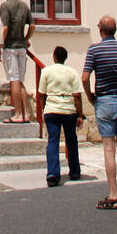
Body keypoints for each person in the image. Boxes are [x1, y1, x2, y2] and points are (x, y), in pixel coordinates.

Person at [82, 15, 117, 209]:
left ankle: (113, 194)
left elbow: (85, 76)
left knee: (108, 148)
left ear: (100, 29)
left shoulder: (94, 49)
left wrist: (90, 95)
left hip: (104, 99)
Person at [38, 45, 84, 186]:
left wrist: (43, 108)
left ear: (54, 56)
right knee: (71, 140)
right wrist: (80, 114)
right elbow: (77, 95)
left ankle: (52, 173)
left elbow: (41, 93)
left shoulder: (46, 71)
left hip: (52, 108)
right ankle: (75, 171)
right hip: (68, 109)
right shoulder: (72, 72)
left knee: (53, 141)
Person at [0, 0, 35, 123]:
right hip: (21, 47)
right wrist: (26, 39)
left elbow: (5, 28)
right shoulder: (24, 5)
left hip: (11, 47)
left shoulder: (5, 6)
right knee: (21, 81)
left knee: (14, 80)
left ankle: (18, 114)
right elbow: (32, 26)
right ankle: (26, 114)